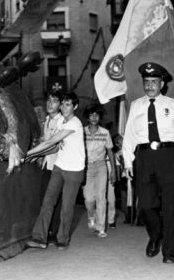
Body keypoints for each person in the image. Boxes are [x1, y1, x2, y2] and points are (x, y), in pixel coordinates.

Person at [123, 62, 174, 264]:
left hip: (168, 156)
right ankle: (156, 235)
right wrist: (128, 162)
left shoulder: (172, 105)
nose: (150, 85)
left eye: (154, 82)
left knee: (170, 207)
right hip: (144, 158)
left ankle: (169, 252)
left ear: (162, 84)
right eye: (147, 82)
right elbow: (129, 137)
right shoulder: (136, 105)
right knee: (145, 205)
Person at [25, 92, 85, 250]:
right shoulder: (61, 123)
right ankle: (39, 238)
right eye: (63, 104)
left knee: (67, 206)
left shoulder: (75, 123)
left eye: (68, 105)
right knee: (47, 202)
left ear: (75, 107)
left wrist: (27, 153)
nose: (65, 108)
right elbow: (55, 146)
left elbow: (52, 140)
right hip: (59, 166)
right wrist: (37, 154)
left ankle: (62, 239)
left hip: (74, 170)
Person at [83, 105, 116, 238]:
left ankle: (101, 227)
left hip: (101, 166)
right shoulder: (81, 132)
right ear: (87, 117)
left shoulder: (105, 132)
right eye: (91, 115)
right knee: (89, 198)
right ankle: (91, 216)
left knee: (101, 197)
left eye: (97, 115)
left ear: (100, 117)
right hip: (87, 167)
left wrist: (113, 170)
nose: (94, 117)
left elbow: (110, 151)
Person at [39, 90, 64, 244]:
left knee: (55, 200)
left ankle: (55, 232)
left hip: (59, 165)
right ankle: (48, 230)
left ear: (60, 105)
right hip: (47, 165)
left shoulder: (62, 122)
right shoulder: (47, 120)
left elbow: (54, 145)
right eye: (48, 100)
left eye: (54, 101)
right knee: (45, 199)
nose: (50, 104)